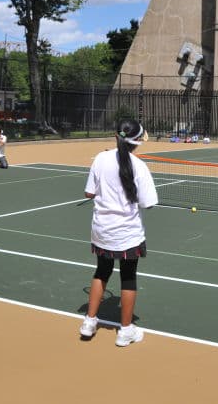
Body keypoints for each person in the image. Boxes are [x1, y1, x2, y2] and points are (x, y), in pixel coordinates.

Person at [79, 119, 158, 347]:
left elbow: (88, 193)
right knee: (128, 278)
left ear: (116, 136)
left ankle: (89, 322)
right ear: (137, 143)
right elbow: (148, 203)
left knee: (101, 272)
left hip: (102, 229)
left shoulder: (101, 159)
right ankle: (125, 332)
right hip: (128, 234)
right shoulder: (139, 166)